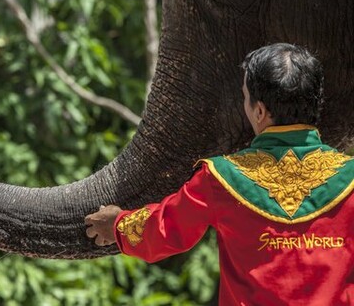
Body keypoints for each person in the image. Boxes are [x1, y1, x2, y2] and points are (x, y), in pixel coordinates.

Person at [85, 43, 353, 305]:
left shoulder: (221, 177)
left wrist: (118, 224)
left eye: (245, 97)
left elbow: (165, 229)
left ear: (259, 111)